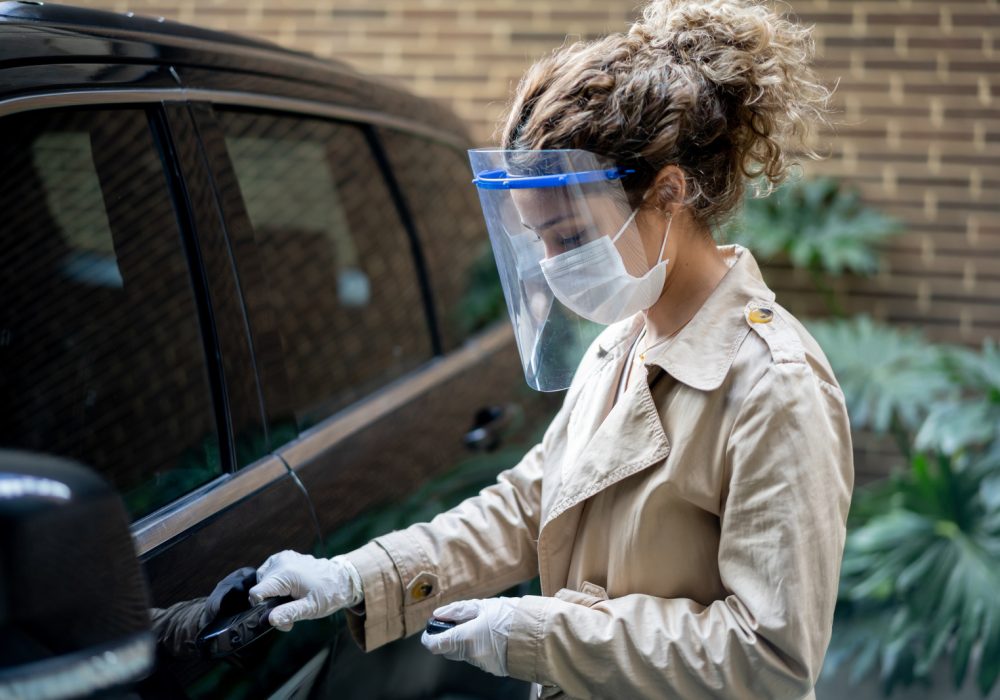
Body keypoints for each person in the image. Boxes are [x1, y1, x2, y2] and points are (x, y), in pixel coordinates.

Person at [248, 0, 854, 698]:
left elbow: (770, 660)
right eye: (538, 239)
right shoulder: (625, 337)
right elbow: (528, 506)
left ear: (669, 193)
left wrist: (540, 636)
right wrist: (359, 575)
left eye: (568, 236)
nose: (554, 264)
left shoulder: (775, 387)